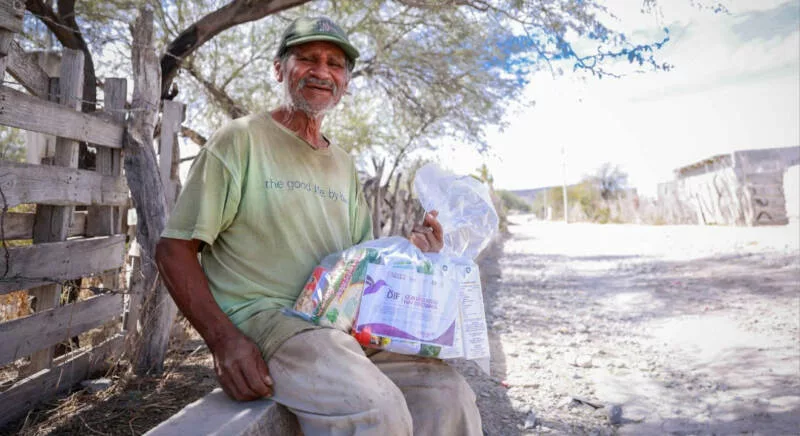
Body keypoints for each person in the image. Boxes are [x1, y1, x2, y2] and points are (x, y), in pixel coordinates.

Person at [155, 16, 482, 435]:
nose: (322, 71)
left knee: (448, 396)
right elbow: (174, 249)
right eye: (307, 58)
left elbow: (362, 265)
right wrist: (223, 341)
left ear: (345, 82)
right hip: (272, 323)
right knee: (376, 409)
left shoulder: (343, 164)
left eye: (335, 64)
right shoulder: (240, 140)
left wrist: (414, 253)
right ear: (279, 69)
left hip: (340, 325)